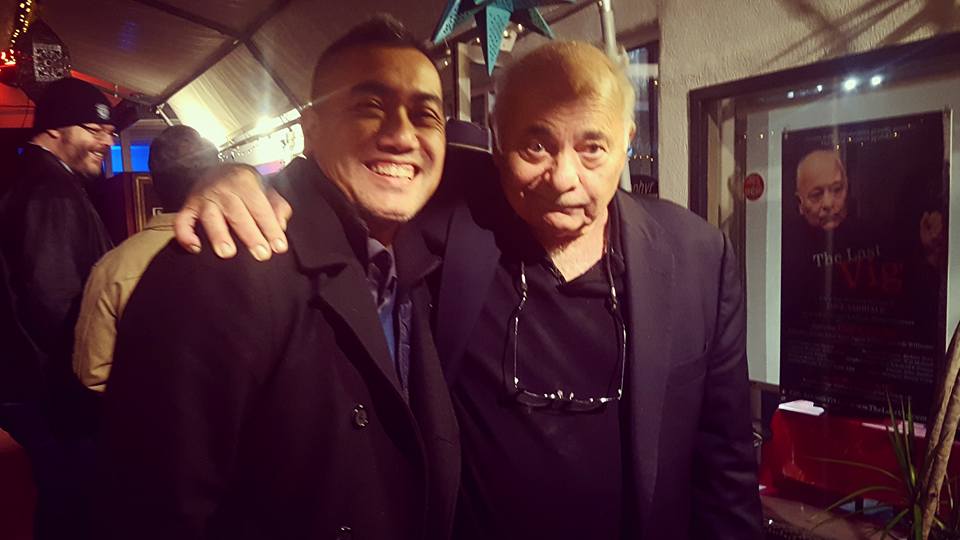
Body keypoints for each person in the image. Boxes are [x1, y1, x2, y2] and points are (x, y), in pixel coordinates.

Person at [179, 41, 762, 539]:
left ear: (626, 140)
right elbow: (353, 172)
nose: (564, 178)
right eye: (536, 146)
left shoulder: (696, 256)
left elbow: (727, 467)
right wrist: (238, 180)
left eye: (592, 148)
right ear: (497, 140)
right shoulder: (451, 216)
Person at [99, 16, 459, 540]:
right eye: (369, 106)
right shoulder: (224, 260)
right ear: (311, 128)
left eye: (425, 115)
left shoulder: (417, 264)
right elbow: (147, 508)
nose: (402, 135)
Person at [0, 76, 117, 540]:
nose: (107, 142)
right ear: (54, 129)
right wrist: (95, 376)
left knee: (62, 498)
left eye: (110, 132)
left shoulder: (36, 179)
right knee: (74, 502)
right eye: (94, 129)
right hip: (52, 389)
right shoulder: (52, 191)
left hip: (33, 383)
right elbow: (55, 300)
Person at [73, 125, 220, 393]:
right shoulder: (258, 251)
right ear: (217, 181)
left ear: (152, 182)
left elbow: (93, 373)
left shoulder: (113, 268)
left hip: (149, 416)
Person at [795, 149, 849, 232]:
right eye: (816, 195)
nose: (828, 204)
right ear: (800, 202)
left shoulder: (865, 232)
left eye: (837, 190)